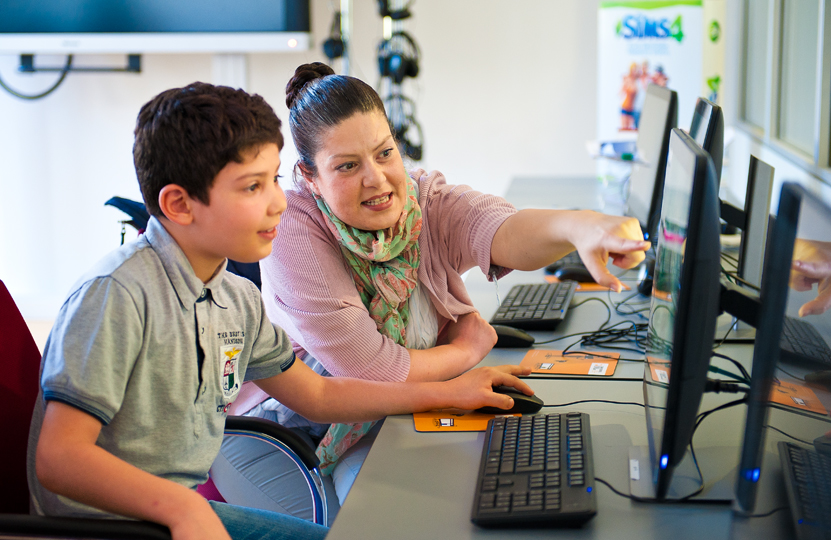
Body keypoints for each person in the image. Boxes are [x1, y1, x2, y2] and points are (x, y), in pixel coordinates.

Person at [26, 81, 534, 540]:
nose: (278, 204)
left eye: (274, 180)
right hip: (103, 525)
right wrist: (182, 509)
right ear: (180, 205)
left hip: (168, 512)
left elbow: (315, 394)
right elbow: (59, 459)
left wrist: (450, 392)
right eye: (253, 187)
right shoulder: (117, 295)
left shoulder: (233, 298)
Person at [213, 63, 650, 519]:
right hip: (285, 433)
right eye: (347, 166)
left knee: (451, 498)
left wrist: (579, 225)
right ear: (309, 175)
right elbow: (369, 370)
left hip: (383, 411)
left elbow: (498, 227)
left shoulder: (422, 201)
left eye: (385, 153)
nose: (377, 179)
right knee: (376, 521)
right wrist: (464, 354)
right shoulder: (294, 229)